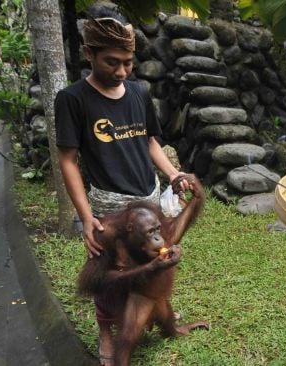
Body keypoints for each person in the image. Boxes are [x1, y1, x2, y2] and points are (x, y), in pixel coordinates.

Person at [54, 16, 190, 365]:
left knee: (154, 263)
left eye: (128, 62)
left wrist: (174, 174)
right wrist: (85, 218)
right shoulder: (72, 99)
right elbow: (68, 160)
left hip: (147, 199)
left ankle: (159, 316)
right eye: (111, 62)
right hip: (108, 204)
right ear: (89, 54)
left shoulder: (140, 92)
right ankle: (106, 331)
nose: (121, 71)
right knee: (108, 274)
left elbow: (150, 143)